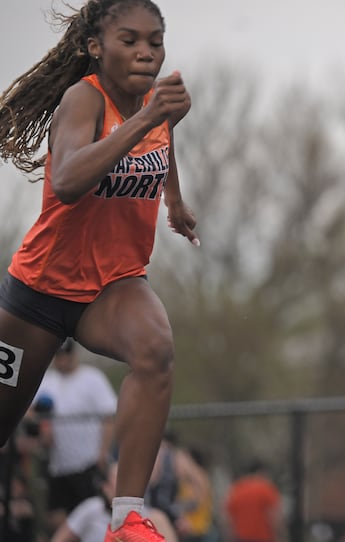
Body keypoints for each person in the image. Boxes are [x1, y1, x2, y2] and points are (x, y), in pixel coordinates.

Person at [0, 1, 196, 541]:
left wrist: (175, 204)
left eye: (154, 41)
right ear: (95, 47)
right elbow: (65, 181)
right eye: (129, 40)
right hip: (39, 292)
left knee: (156, 349)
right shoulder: (84, 98)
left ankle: (125, 520)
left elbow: (163, 145)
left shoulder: (157, 104)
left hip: (113, 284)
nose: (145, 52)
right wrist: (145, 118)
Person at [34, 338, 117, 534]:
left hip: (87, 463)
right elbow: (31, 412)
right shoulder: (48, 382)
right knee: (56, 519)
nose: (62, 361)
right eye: (59, 357)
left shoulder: (91, 378)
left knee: (88, 515)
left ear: (74, 356)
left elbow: (108, 417)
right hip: (59, 465)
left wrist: (103, 453)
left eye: (66, 356)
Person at [52, 462, 178, 542]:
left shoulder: (150, 516)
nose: (126, 487)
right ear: (106, 488)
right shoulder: (92, 508)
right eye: (119, 484)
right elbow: (60, 538)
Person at [224, 460, 285, 542]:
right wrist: (280, 536)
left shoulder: (236, 489)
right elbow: (274, 517)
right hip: (263, 537)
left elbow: (228, 519)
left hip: (240, 538)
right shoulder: (267, 488)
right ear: (261, 472)